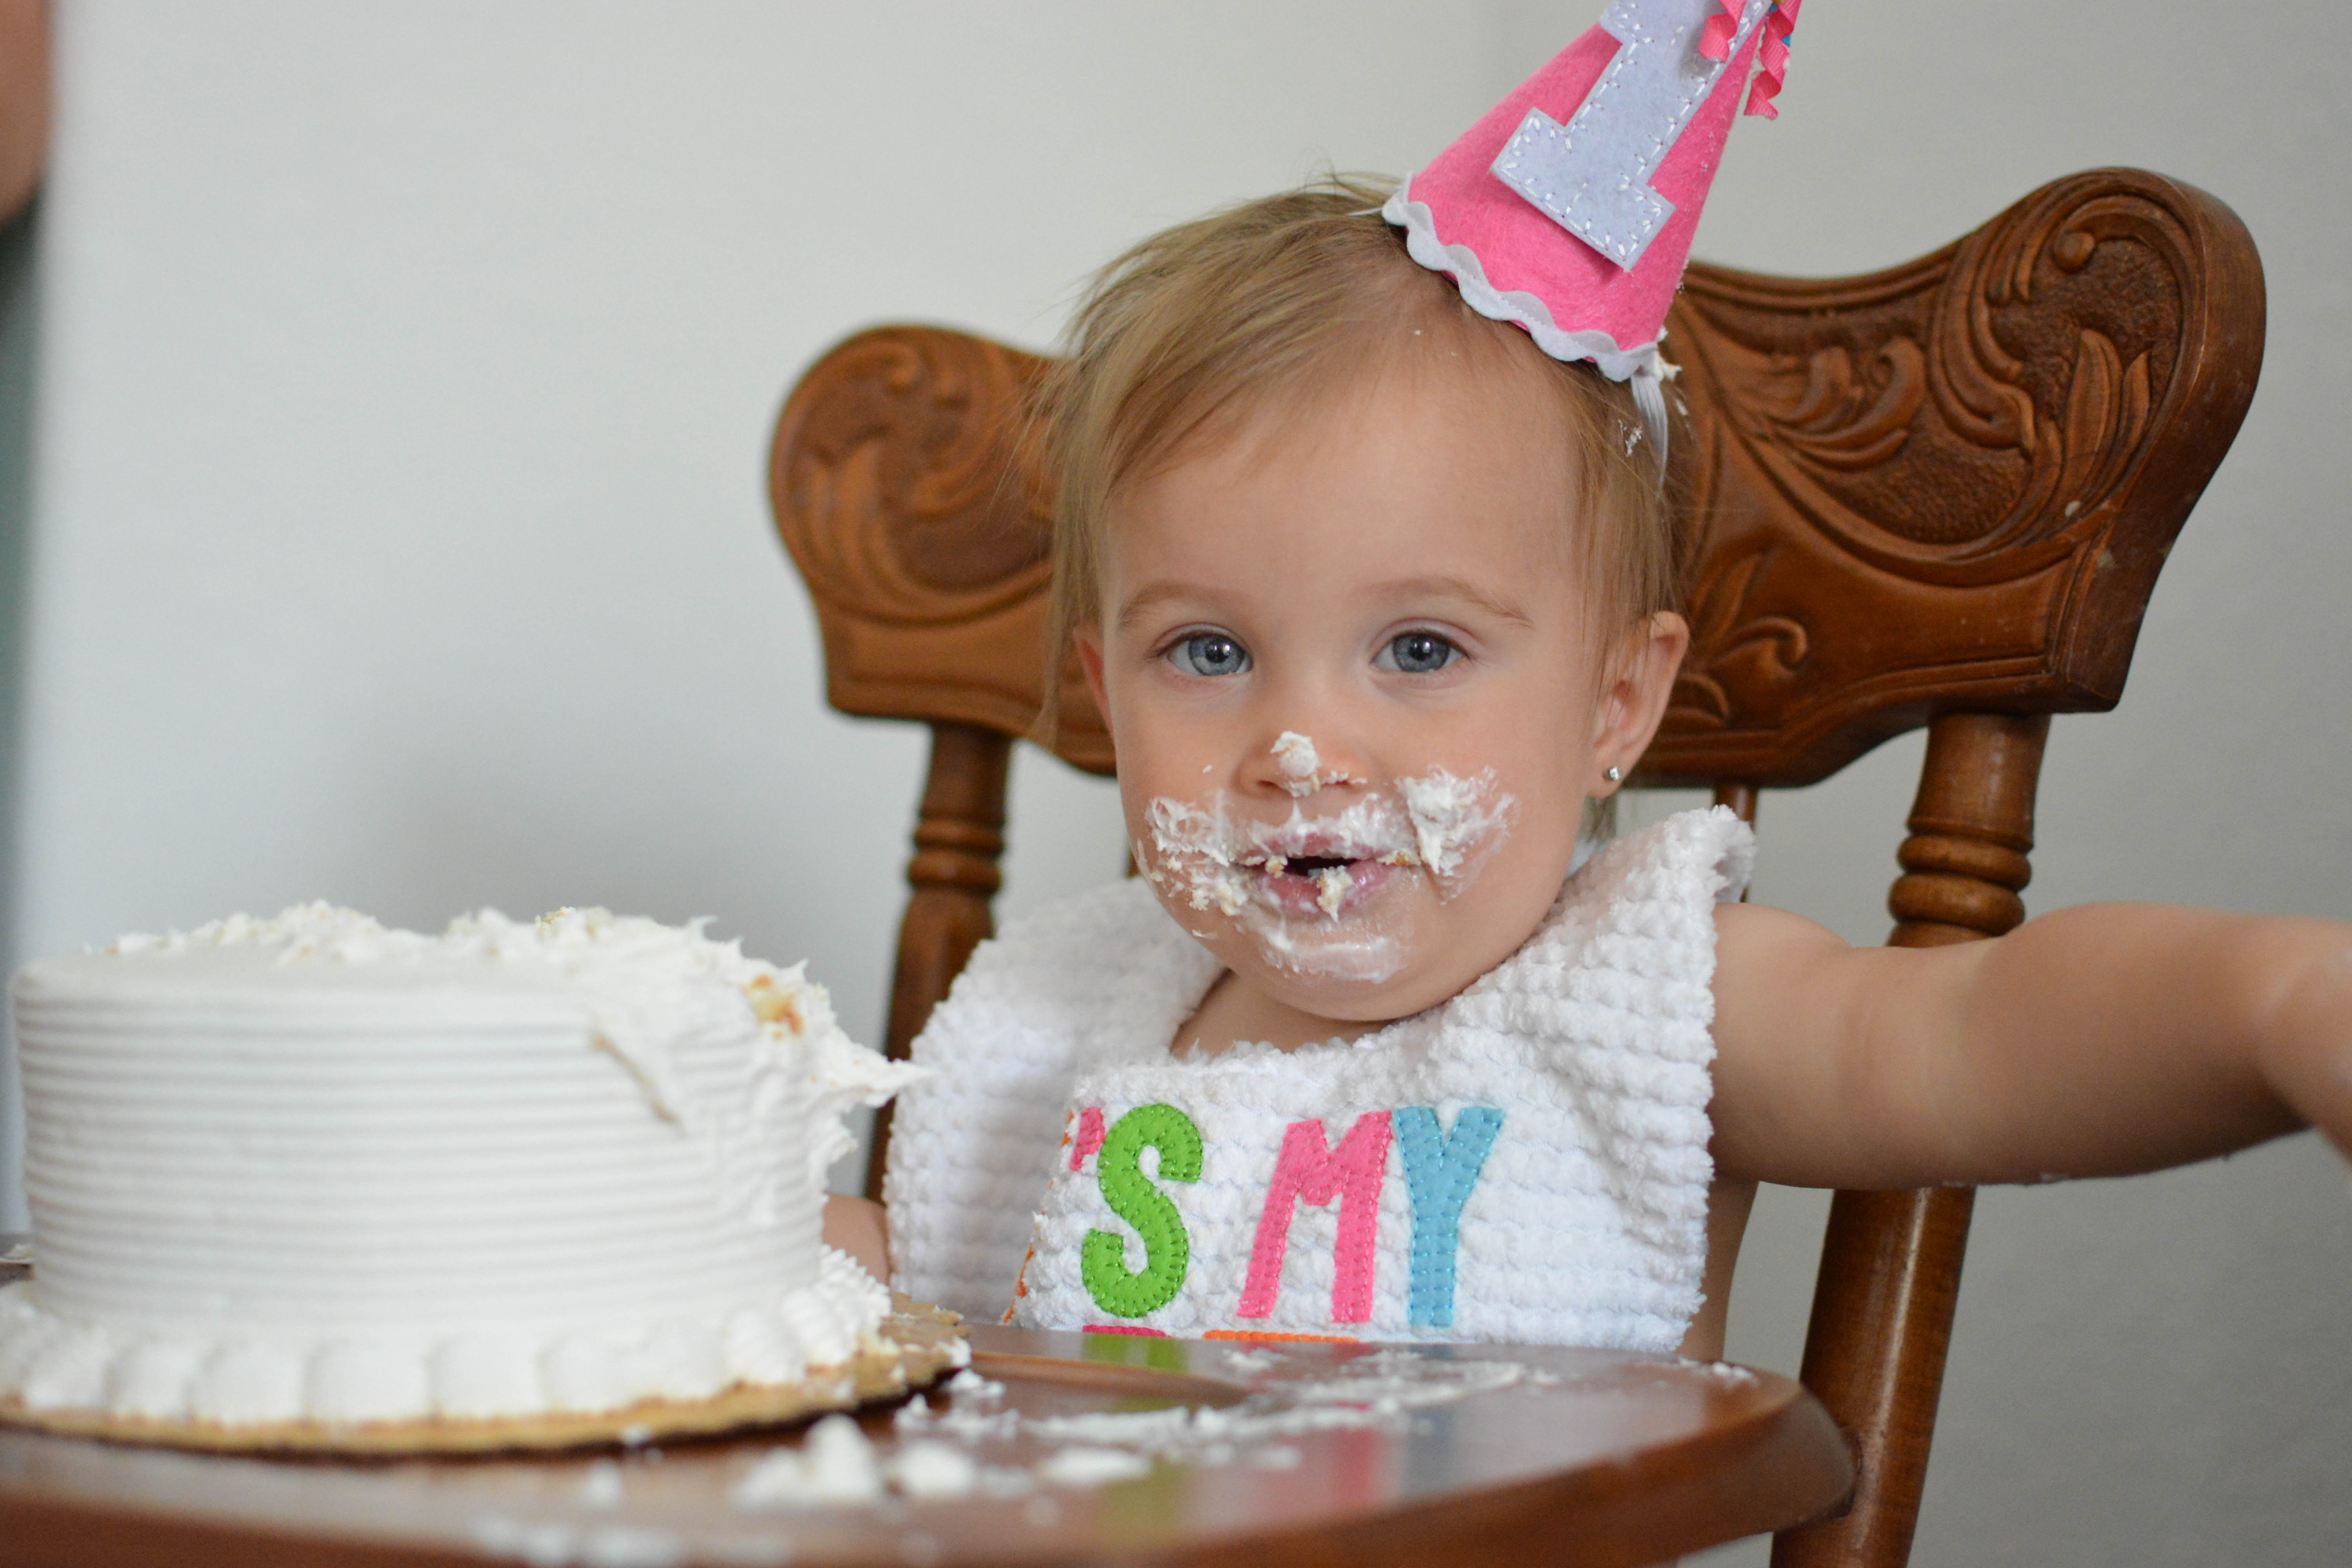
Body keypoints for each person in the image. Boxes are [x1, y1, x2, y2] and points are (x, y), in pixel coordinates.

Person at [823, 4, 2351, 1358]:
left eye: (1421, 649)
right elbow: (930, 1317)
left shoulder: (1642, 996)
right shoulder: (1054, 1018)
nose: (1297, 749)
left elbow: (1972, 1039)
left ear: (1618, 704)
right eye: (1209, 652)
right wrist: (794, 1251)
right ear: (1106, 693)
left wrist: (2279, 1003)